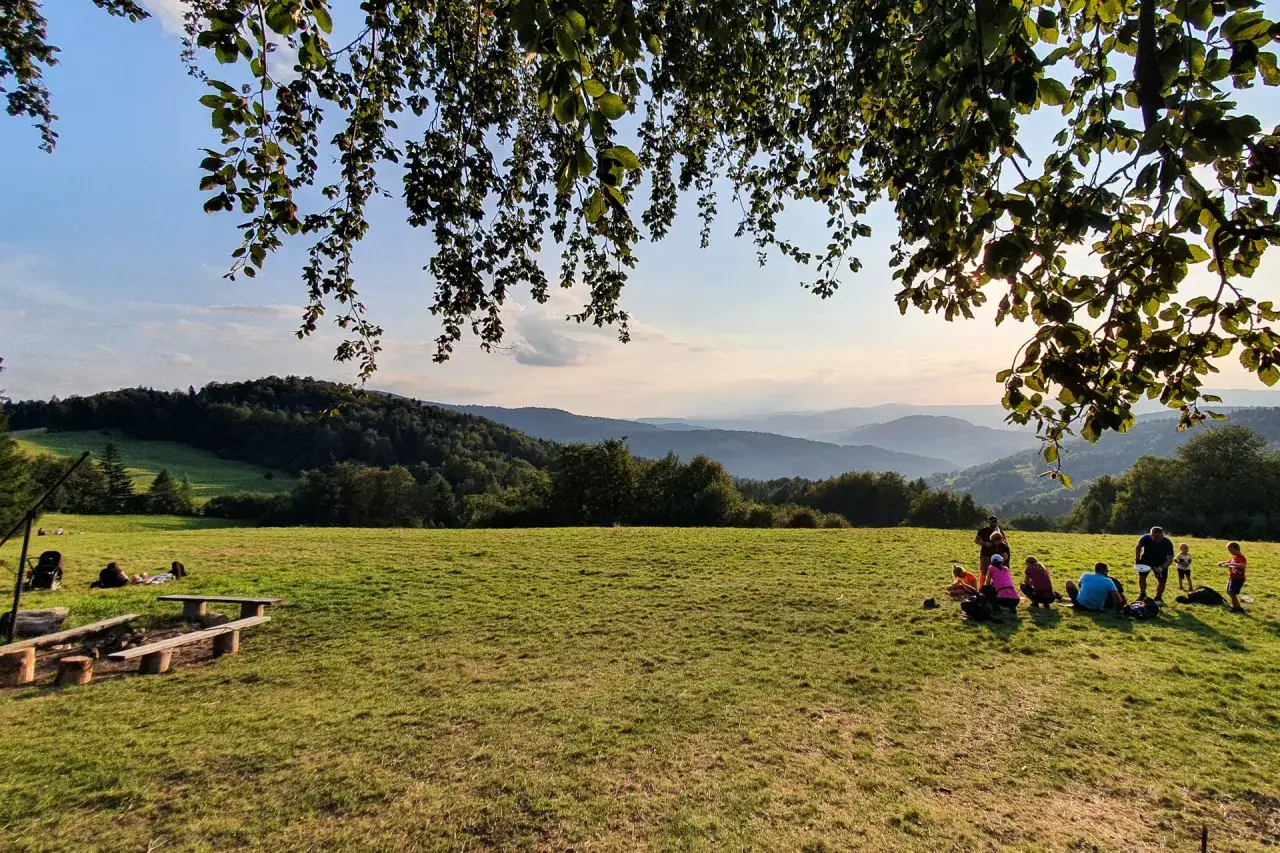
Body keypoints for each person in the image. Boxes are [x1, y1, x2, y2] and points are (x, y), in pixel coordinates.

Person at [1134, 526, 1174, 601]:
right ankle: (1142, 594)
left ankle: (1158, 597)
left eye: (1158, 537)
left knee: (1162, 581)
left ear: (1162, 535)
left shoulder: (1168, 543)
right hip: (1146, 560)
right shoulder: (1146, 538)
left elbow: (1170, 559)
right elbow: (1138, 547)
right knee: (1142, 578)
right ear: (1151, 535)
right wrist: (1137, 559)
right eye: (1153, 537)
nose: (1155, 539)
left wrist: (1162, 567)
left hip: (1161, 562)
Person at [1217, 542, 1247, 613]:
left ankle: (1239, 608)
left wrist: (1229, 564)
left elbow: (1242, 565)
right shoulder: (1234, 557)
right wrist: (1222, 563)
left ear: (1237, 549)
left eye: (1231, 550)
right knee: (1228, 591)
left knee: (1231, 592)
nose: (1230, 552)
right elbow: (1229, 562)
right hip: (1232, 577)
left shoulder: (1241, 558)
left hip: (1238, 578)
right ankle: (1235, 607)